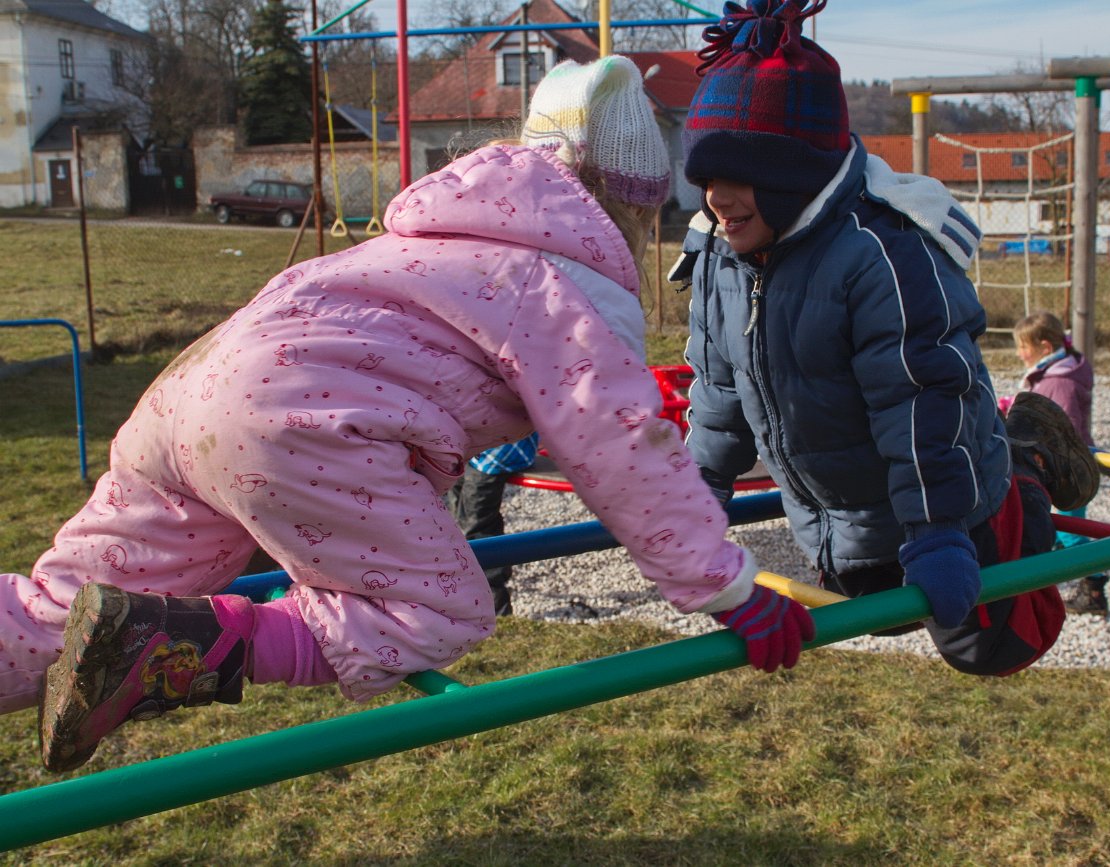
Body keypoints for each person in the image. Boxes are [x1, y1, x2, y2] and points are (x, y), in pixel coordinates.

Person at [1, 56, 815, 774]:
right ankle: (182, 647)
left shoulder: (430, 238)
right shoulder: (564, 279)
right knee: (438, 606)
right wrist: (725, 584)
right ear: (626, 202)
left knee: (61, 606)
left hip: (188, 395)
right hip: (298, 424)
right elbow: (620, 442)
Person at [675, 0, 1101, 677]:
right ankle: (1004, 458)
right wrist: (696, 494)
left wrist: (938, 532)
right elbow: (719, 393)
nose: (716, 200)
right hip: (835, 521)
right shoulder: (722, 257)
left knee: (995, 646)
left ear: (797, 172)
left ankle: (1026, 465)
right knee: (881, 612)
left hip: (943, 497)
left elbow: (921, 401)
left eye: (736, 178)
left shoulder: (880, 255)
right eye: (704, 180)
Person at [1011, 311, 1110, 618]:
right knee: (1052, 522)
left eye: (1023, 347)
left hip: (1063, 467)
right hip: (1052, 462)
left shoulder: (1061, 382)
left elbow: (1062, 427)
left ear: (1043, 346)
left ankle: (1093, 587)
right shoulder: (1053, 374)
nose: (1019, 354)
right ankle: (1051, 566)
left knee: (1070, 529)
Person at [447, 433, 540, 616]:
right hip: (469, 448)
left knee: (479, 528)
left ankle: (496, 608)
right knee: (457, 518)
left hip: (494, 452)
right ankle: (469, 594)